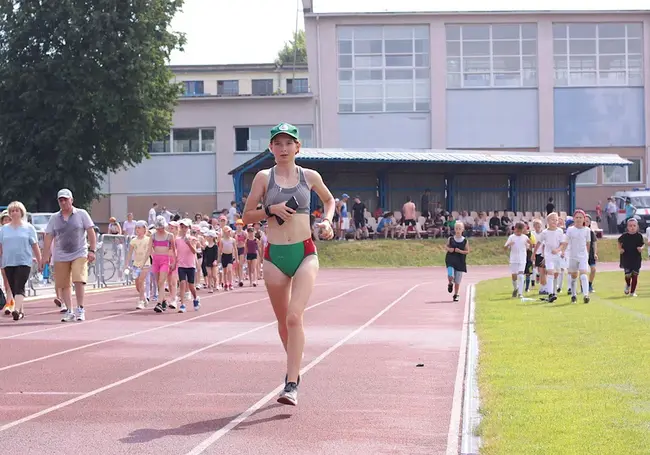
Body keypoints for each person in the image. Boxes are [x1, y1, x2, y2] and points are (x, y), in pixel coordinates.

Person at [242, 122, 335, 406]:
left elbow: (329, 200)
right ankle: (294, 367)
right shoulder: (262, 177)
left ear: (298, 147)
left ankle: (291, 382)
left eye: (288, 143)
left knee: (295, 317)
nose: (283, 148)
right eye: (278, 143)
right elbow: (246, 216)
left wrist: (328, 220)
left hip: (305, 252)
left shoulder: (309, 176)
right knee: (284, 323)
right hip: (274, 257)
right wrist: (270, 209)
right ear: (271, 148)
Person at [41, 189, 96, 322]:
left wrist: (92, 250)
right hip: (61, 254)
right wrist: (45, 255)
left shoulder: (81, 214)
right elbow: (48, 236)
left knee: (78, 279)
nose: (63, 202)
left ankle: (80, 308)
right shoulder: (54, 218)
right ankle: (69, 310)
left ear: (71, 200)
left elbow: (90, 231)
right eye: (61, 200)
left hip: (79, 252)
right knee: (64, 283)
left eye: (66, 199)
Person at [0, 201, 42, 320]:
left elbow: (35, 245)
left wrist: (40, 260)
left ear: (21, 212)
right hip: (8, 261)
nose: (14, 213)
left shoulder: (28, 228)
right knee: (13, 287)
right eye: (12, 211)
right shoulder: (4, 230)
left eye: (16, 210)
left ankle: (16, 310)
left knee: (20, 286)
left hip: (24, 261)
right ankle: (21, 311)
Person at [563, 210, 591, 304]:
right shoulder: (570, 230)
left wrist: (587, 254)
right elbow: (566, 241)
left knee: (583, 274)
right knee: (574, 276)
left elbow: (588, 243)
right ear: (574, 219)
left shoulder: (587, 230)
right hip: (572, 255)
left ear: (584, 219)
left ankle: (586, 295)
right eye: (577, 217)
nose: (579, 219)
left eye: (580, 217)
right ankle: (573, 295)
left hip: (583, 255)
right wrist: (563, 251)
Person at [504, 222, 530, 298]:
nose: (518, 232)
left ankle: (520, 293)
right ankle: (516, 288)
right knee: (514, 275)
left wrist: (529, 245)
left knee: (521, 275)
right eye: (517, 230)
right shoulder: (511, 237)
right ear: (515, 229)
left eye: (520, 231)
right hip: (513, 259)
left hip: (522, 259)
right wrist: (509, 244)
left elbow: (530, 246)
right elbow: (505, 248)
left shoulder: (525, 237)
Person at [618, 218, 644, 297]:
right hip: (626, 258)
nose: (632, 227)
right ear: (627, 227)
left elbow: (643, 244)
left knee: (635, 275)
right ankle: (628, 284)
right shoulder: (624, 236)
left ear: (637, 227)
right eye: (630, 226)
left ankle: (632, 292)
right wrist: (620, 249)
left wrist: (641, 248)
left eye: (634, 226)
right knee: (628, 275)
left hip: (636, 258)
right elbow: (619, 242)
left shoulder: (639, 236)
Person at [445, 221, 469, 303]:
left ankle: (456, 294)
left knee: (458, 281)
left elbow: (467, 251)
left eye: (459, 228)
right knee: (450, 274)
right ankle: (450, 283)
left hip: (460, 261)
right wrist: (449, 249)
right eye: (456, 228)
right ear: (454, 229)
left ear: (462, 229)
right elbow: (446, 246)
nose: (458, 230)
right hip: (450, 259)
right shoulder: (450, 239)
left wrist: (460, 251)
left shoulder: (465, 241)